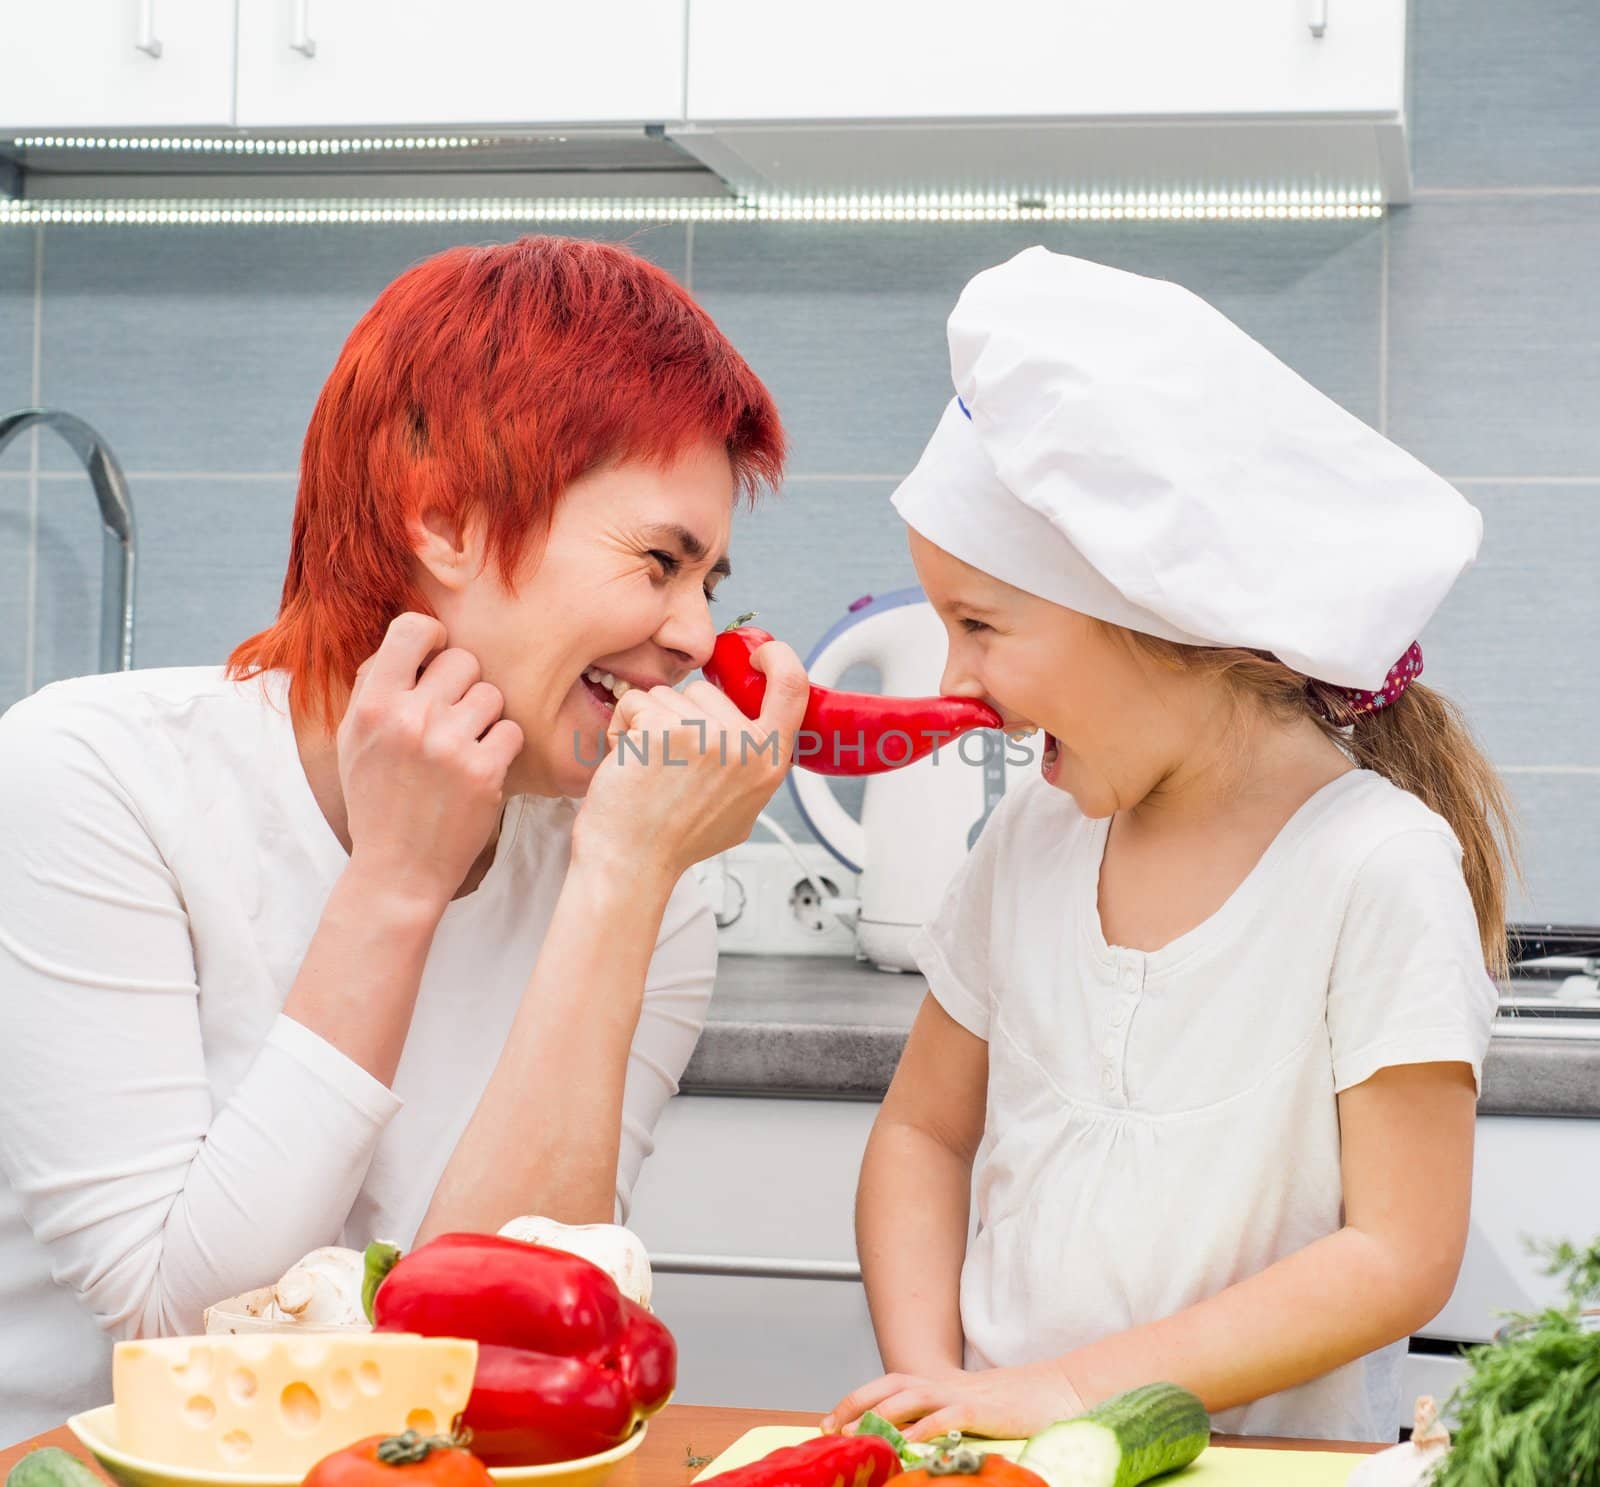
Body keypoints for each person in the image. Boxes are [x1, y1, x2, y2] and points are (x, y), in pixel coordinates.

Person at [0, 236, 808, 1438]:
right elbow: (187, 1341)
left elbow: (485, 1365)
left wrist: (629, 876)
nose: (696, 635)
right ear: (445, 523)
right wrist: (395, 881)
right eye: (658, 563)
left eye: (710, 580)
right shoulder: (92, 772)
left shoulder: (635, 858)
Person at [822, 247, 1516, 1444]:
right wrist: (938, 1385)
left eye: (979, 624)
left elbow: (1398, 1252)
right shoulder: (1028, 841)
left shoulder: (1374, 867)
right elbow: (920, 1132)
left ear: (1164, 624)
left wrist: (1068, 1391)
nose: (955, 681)